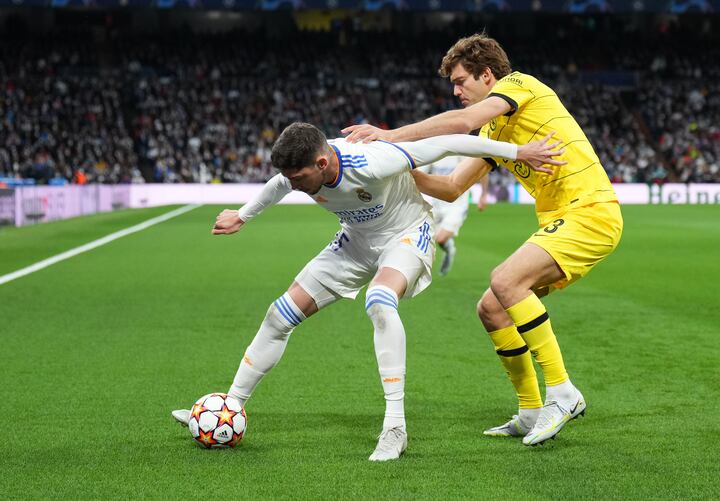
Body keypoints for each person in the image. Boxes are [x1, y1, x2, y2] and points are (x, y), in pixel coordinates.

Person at [171, 121, 564, 461]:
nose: (294, 186)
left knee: (379, 301)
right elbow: (276, 185)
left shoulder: (374, 160)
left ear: (321, 164)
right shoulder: (298, 174)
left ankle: (395, 427)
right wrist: (242, 216)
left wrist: (517, 151)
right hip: (355, 242)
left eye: (299, 178)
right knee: (280, 314)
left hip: (407, 235)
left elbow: (449, 143)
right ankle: (230, 407)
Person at [343, 33, 623, 446]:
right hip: (563, 218)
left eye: (460, 81)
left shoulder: (520, 86)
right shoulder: (497, 129)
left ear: (487, 74)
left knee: (506, 280)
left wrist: (392, 135)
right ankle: (530, 411)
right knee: (492, 308)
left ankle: (563, 393)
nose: (456, 91)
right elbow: (453, 187)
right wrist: (399, 169)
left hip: (590, 211)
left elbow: (460, 124)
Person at [419, 156, 489, 276]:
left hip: (457, 206)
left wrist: (483, 195)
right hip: (436, 204)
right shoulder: (436, 152)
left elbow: (482, 170)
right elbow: (419, 173)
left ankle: (450, 250)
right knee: (425, 238)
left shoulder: (461, 152)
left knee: (441, 239)